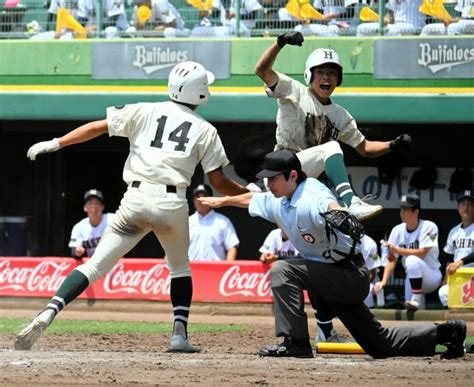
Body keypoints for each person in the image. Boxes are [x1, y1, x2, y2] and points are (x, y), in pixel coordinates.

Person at [14, 61, 251, 353]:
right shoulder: (206, 129)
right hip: (172, 201)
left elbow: (96, 128)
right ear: (201, 93)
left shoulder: (144, 109)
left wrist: (56, 143)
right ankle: (179, 335)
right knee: (179, 268)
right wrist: (247, 192)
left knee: (94, 266)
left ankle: (49, 311)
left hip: (135, 199)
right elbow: (218, 181)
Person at [199, 149, 467, 359]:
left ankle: (296, 342)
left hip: (348, 274)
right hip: (329, 277)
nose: (268, 183)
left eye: (273, 177)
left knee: (283, 269)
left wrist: (340, 211)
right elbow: (251, 199)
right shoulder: (279, 197)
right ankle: (448, 332)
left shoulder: (311, 194)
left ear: (293, 175)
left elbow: (327, 202)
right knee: (380, 344)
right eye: (266, 178)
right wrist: (222, 201)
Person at [254, 31, 412, 220]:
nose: (326, 77)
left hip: (305, 181)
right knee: (331, 148)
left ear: (338, 79)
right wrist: (280, 43)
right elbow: (261, 70)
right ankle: (352, 201)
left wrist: (392, 145)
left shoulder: (340, 115)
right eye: (320, 72)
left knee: (338, 225)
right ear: (309, 75)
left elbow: (365, 148)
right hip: (281, 171)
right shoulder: (295, 90)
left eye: (332, 73)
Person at [374, 194, 442, 311]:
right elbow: (392, 259)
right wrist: (383, 281)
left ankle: (416, 299)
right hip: (412, 276)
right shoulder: (397, 230)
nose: (402, 212)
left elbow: (422, 253)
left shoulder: (429, 226)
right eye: (401, 209)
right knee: (412, 311)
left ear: (416, 212)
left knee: (411, 260)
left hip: (431, 276)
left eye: (406, 209)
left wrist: (397, 250)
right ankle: (417, 305)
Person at [438, 189, 474, 307]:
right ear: (458, 208)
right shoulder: (454, 232)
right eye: (463, 204)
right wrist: (445, 279)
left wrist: (461, 261)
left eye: (470, 204)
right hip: (458, 277)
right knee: (443, 291)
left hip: (472, 276)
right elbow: (449, 257)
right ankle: (456, 321)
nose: (466, 208)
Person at [188, 183, 239, 262]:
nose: (200, 200)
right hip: (190, 270)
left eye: (204, 197)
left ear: (211, 199)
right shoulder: (186, 222)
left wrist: (228, 267)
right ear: (193, 200)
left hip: (216, 271)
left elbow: (232, 247)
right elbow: (175, 247)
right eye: (197, 197)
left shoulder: (223, 221)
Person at [68, 189, 115, 259]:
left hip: (117, 264)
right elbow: (73, 250)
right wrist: (77, 252)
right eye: (90, 203)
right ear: (85, 208)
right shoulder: (79, 227)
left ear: (103, 207)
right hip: (93, 265)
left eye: (97, 203)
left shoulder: (113, 219)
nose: (94, 206)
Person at [360, 234, 385, 308]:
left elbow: (371, 274)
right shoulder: (340, 241)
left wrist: (356, 285)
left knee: (366, 290)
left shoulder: (370, 244)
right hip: (347, 280)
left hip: (367, 281)